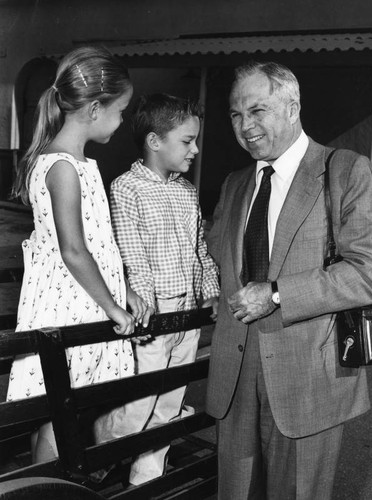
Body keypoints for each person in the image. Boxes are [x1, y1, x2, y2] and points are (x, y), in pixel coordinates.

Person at [206, 61, 372, 500]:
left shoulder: (345, 171)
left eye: (257, 111)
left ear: (292, 108)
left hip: (308, 374)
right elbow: (217, 264)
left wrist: (275, 294)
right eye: (236, 115)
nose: (245, 126)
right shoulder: (234, 184)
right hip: (233, 376)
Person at [7, 46, 152, 464]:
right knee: (60, 420)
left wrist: (123, 291)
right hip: (68, 308)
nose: (122, 120)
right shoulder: (63, 167)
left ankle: (42, 489)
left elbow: (100, 246)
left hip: (83, 301)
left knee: (60, 416)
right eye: (120, 110)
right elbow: (73, 250)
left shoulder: (80, 163)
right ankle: (46, 490)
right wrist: (115, 309)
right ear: (93, 109)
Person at [110, 93, 220, 485]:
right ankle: (100, 456)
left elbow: (199, 252)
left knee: (171, 400)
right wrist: (145, 307)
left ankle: (146, 476)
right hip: (154, 316)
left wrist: (210, 290)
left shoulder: (187, 192)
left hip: (187, 313)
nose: (195, 149)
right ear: (155, 141)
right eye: (187, 141)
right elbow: (132, 255)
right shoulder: (127, 189)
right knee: (140, 402)